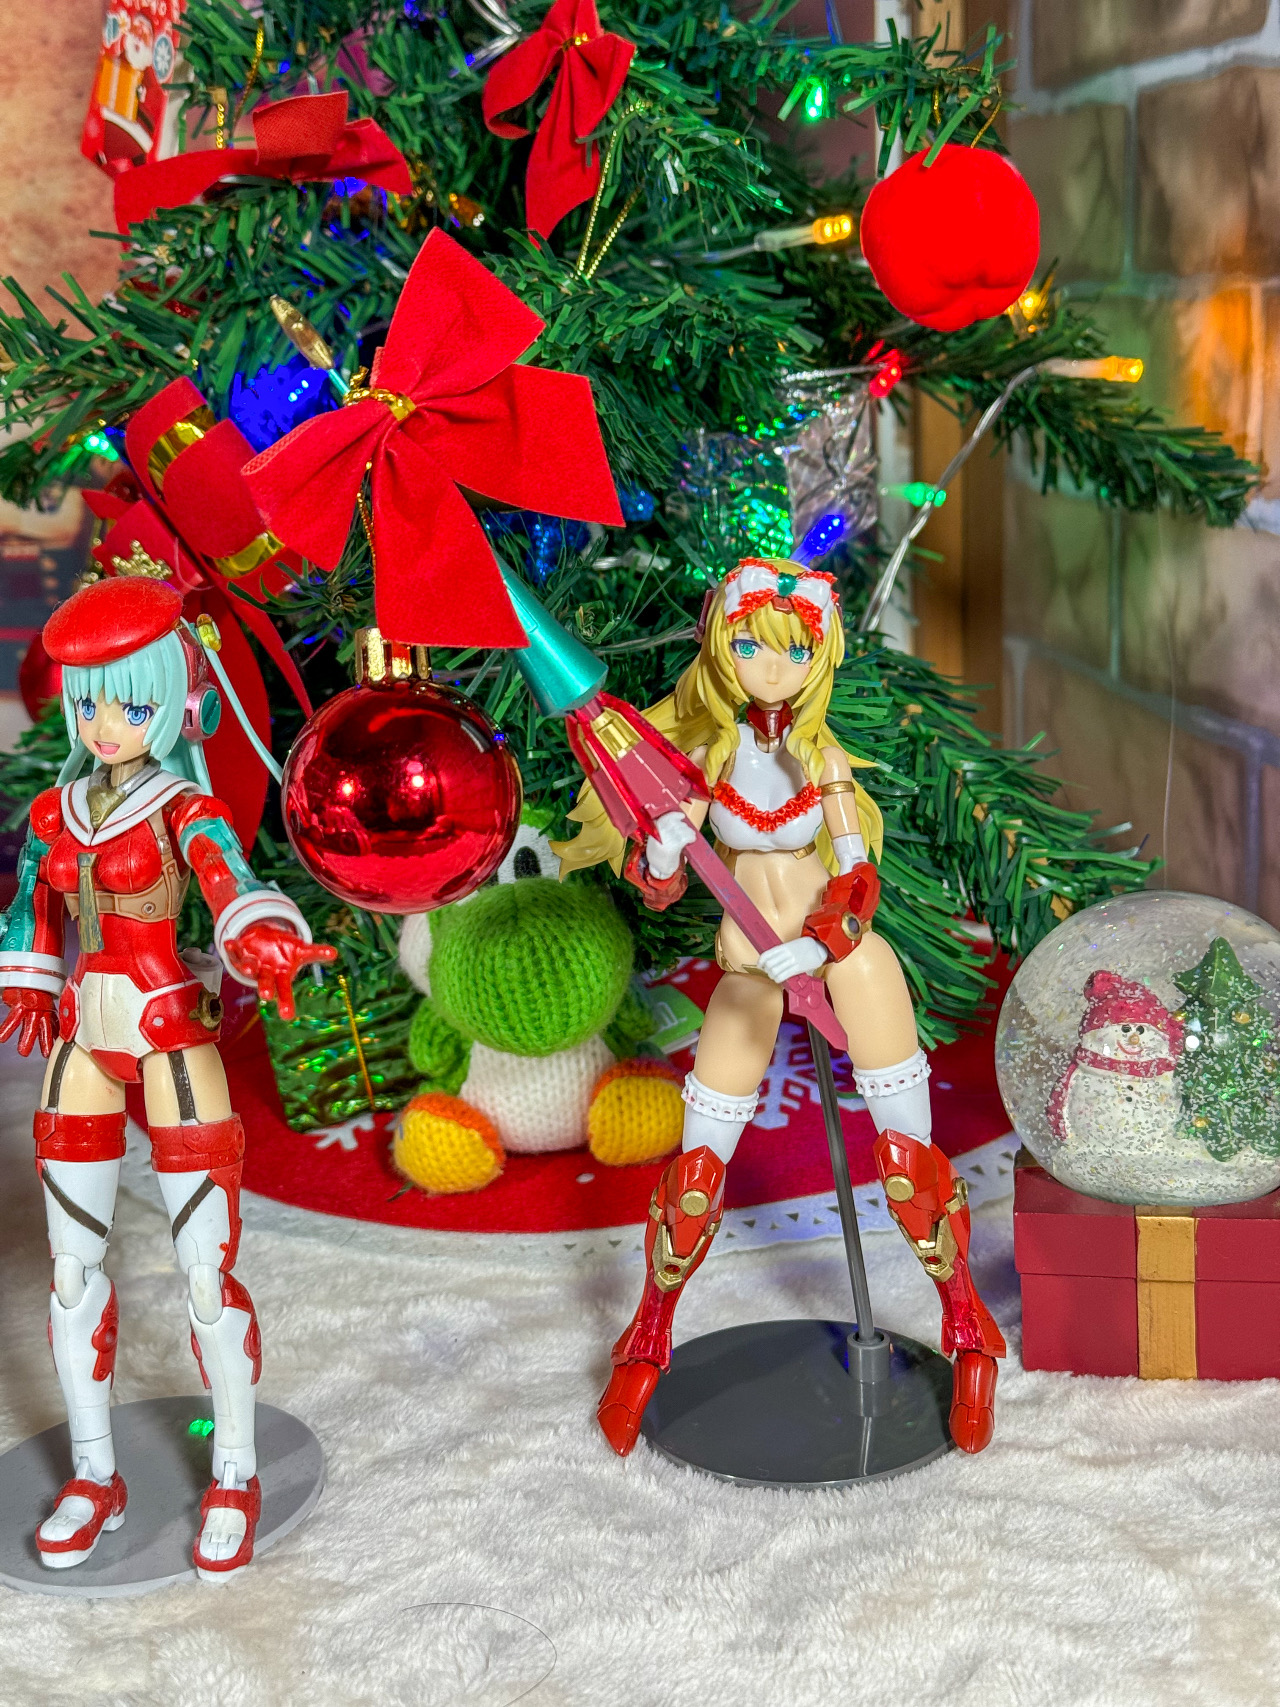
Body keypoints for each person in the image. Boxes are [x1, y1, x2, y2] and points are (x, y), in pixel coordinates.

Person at [555, 557, 1005, 1457]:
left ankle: (967, 1328)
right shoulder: (704, 763)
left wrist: (823, 942)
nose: (772, 666)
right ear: (722, 647)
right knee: (694, 1178)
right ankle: (646, 1336)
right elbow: (658, 884)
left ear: (819, 657)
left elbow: (858, 873)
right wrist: (662, 848)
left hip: (841, 955)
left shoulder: (822, 758)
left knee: (911, 1166)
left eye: (794, 650)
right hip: (752, 966)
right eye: (753, 644)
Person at [0, 573, 334, 1580]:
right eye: (88, 702)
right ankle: (94, 1473)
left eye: (129, 704)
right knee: (71, 1276)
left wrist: (263, 936)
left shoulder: (184, 804)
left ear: (176, 702)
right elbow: (30, 912)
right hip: (83, 1038)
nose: (105, 725)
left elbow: (234, 883)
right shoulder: (56, 812)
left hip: (170, 1033)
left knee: (205, 1276)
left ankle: (234, 1471)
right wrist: (26, 978)